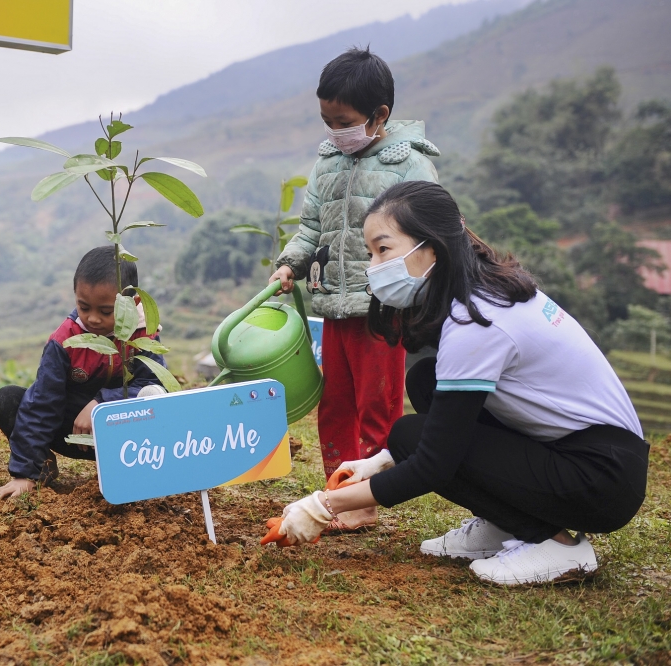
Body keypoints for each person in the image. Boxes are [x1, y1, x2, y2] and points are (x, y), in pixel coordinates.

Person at [276, 181, 649, 585]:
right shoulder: (481, 292)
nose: (372, 266)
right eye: (370, 253)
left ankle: (556, 545)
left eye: (383, 249)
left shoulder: (476, 321)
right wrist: (376, 462)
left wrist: (322, 506)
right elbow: (449, 423)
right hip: (584, 454)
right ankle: (506, 525)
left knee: (413, 439)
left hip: (600, 477)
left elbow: (433, 464)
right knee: (425, 384)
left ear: (431, 248)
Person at [270, 46, 440, 530]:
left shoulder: (409, 166)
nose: (333, 131)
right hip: (333, 304)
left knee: (376, 404)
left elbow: (432, 237)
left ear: (379, 114)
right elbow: (310, 229)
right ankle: (336, 489)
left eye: (342, 120)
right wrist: (290, 265)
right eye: (326, 121)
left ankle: (365, 499)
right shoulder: (327, 162)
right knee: (336, 403)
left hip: (381, 309)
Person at [0, 246, 167, 499]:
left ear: (133, 303)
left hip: (118, 435)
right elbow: (42, 404)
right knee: (9, 400)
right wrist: (25, 474)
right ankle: (40, 468)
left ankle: (138, 469)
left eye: (105, 311)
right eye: (84, 307)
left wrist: (101, 403)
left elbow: (152, 386)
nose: (93, 319)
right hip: (73, 431)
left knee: (153, 398)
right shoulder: (65, 340)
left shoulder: (143, 335)